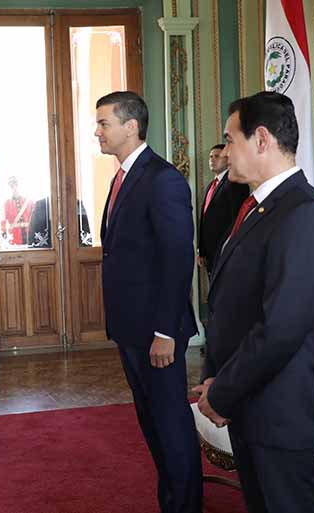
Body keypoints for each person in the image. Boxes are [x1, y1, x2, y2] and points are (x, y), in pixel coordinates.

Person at [194, 92, 314, 513]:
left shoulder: (305, 214)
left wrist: (223, 392)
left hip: (278, 413)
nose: (224, 151)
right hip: (248, 402)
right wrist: (216, 378)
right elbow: (231, 305)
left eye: (229, 139)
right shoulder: (259, 208)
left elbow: (281, 328)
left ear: (261, 139)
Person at [96, 91, 201, 513]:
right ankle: (171, 501)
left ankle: (186, 506)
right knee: (152, 424)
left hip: (157, 333)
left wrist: (164, 331)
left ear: (131, 127)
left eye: (104, 123)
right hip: (131, 328)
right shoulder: (123, 176)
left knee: (171, 425)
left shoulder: (163, 179)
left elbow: (177, 260)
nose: (97, 131)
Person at [197, 144, 250, 278]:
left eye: (217, 156)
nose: (212, 160)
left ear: (227, 160)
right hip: (210, 255)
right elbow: (205, 219)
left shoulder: (236, 183)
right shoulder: (211, 185)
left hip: (225, 252)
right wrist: (201, 250)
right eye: (210, 157)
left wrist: (228, 250)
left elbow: (236, 220)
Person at [0, 176, 33, 246]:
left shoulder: (29, 202)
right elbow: (3, 221)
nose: (14, 187)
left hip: (29, 233)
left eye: (16, 184)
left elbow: (35, 217)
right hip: (15, 236)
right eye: (11, 186)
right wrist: (4, 232)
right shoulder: (7, 204)